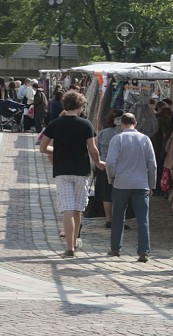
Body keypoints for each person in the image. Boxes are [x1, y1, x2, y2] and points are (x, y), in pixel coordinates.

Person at [39, 91, 103, 258]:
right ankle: (75, 241)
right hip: (81, 171)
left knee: (67, 209)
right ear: (80, 106)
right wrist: (98, 163)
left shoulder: (55, 124)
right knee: (77, 209)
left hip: (62, 171)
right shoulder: (86, 124)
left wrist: (58, 151)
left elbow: (43, 148)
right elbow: (92, 149)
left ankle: (69, 248)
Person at [105, 113, 157, 263]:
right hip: (141, 184)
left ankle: (115, 248)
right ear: (136, 123)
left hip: (121, 183)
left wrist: (111, 177)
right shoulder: (145, 139)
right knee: (143, 219)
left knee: (118, 217)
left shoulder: (117, 139)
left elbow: (110, 162)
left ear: (121, 124)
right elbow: (152, 164)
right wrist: (152, 184)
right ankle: (143, 251)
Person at [95, 110, 122, 229]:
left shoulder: (103, 132)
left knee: (106, 193)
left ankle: (109, 220)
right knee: (119, 193)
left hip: (103, 164)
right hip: (119, 166)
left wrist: (96, 164)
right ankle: (118, 219)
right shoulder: (122, 134)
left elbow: (97, 149)